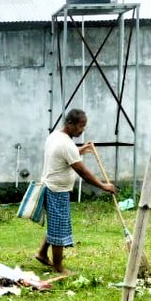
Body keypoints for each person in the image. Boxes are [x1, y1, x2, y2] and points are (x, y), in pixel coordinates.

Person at [35, 109, 116, 274]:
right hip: (56, 190)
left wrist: (80, 150)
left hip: (50, 186)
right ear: (70, 124)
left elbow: (63, 155)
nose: (82, 130)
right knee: (59, 227)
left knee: (56, 224)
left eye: (84, 126)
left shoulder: (55, 136)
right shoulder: (67, 144)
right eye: (80, 126)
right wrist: (103, 186)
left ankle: (42, 254)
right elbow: (83, 172)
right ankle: (58, 266)